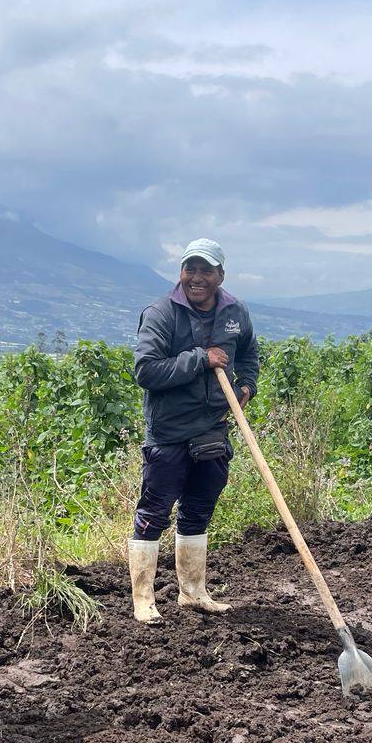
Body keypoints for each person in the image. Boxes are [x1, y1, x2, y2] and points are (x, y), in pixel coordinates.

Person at [127, 238, 260, 623]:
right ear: (181, 272)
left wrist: (246, 388)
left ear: (221, 275)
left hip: (213, 429)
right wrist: (201, 358)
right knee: (154, 512)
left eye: (206, 270)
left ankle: (193, 592)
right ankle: (143, 599)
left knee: (198, 510)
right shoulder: (161, 313)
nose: (197, 277)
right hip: (169, 432)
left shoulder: (235, 312)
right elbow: (146, 371)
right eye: (190, 268)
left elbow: (249, 354)